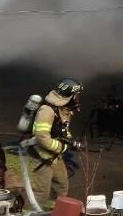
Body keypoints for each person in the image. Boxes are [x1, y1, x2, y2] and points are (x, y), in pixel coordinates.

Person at [29, 77, 84, 205]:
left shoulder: (63, 110)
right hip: (41, 157)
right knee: (41, 192)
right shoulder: (47, 111)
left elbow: (63, 130)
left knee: (61, 186)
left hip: (54, 156)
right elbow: (42, 137)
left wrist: (71, 141)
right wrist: (61, 147)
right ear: (70, 96)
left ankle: (53, 215)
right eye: (76, 95)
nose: (78, 98)